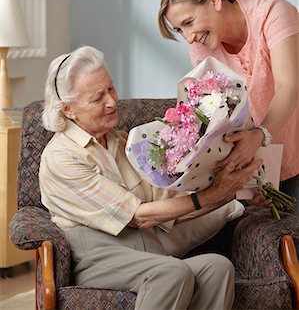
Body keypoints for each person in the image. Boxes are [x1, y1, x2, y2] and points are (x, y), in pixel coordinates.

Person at [39, 45, 261, 310]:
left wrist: (238, 191)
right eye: (97, 97)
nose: (111, 101)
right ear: (68, 110)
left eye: (110, 89)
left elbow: (171, 202)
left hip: (147, 249)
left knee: (218, 267)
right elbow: (138, 216)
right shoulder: (62, 157)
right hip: (96, 256)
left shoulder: (124, 143)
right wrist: (213, 196)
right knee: (170, 273)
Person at [158, 0, 299, 211]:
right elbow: (223, 119)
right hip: (270, 161)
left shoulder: (272, 12)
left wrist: (259, 136)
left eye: (189, 22)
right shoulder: (201, 49)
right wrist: (249, 185)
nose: (189, 37)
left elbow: (290, 86)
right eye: (180, 30)